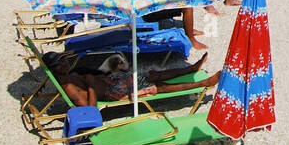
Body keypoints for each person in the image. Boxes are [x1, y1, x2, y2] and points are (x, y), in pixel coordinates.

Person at [41, 51, 220, 107]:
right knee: (158, 86)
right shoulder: (69, 88)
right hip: (115, 92)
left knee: (152, 74)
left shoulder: (69, 74)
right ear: (52, 69)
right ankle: (203, 83)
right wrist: (90, 86)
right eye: (59, 63)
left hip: (113, 81)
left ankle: (191, 68)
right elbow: (91, 109)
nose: (64, 63)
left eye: (63, 59)